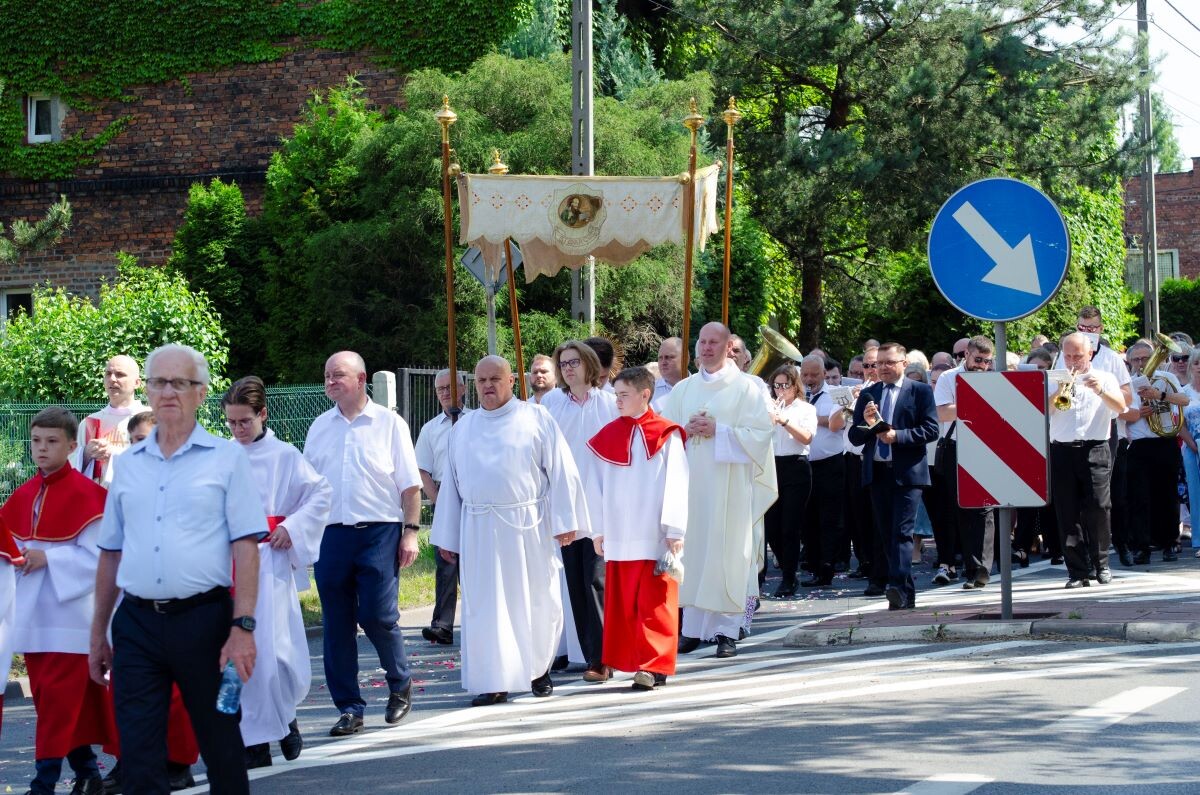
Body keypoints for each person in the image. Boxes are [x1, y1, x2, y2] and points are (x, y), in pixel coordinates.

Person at [89, 344, 265, 794]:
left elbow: (246, 546)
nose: (168, 392)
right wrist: (97, 635)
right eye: (159, 382)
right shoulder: (127, 466)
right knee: (139, 753)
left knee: (221, 741)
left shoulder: (227, 460)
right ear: (147, 389)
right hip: (136, 625)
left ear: (200, 393)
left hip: (204, 622)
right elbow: (110, 552)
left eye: (180, 383)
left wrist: (242, 627)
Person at [431, 356, 589, 706]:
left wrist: (566, 522)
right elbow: (452, 488)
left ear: (512, 381)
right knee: (486, 606)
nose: (488, 385)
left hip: (527, 526)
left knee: (534, 598)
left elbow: (562, 471)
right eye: (481, 380)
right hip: (479, 529)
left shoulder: (536, 418)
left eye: (495, 379)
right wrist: (448, 537)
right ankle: (494, 679)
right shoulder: (464, 427)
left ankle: (537, 670)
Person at [304, 351, 421, 736]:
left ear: (361, 379)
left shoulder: (389, 424)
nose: (330, 382)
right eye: (326, 376)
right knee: (336, 625)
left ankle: (399, 681)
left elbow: (409, 485)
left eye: (338, 375)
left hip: (379, 532)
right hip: (331, 535)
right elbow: (308, 488)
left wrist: (411, 532)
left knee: (376, 615)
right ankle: (350, 707)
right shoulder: (319, 426)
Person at [222, 377, 331, 769]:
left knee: (274, 652)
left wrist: (293, 527)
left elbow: (320, 493)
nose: (237, 430)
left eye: (244, 422)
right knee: (236, 652)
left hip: (268, 562)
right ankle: (253, 739)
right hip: (227, 562)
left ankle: (284, 718)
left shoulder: (284, 455)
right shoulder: (220, 455)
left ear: (263, 414)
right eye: (231, 422)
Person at [5, 407, 112, 795]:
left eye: (52, 442)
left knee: (59, 705)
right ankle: (88, 772)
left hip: (72, 617)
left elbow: (101, 559)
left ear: (71, 445)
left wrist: (48, 557)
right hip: (33, 617)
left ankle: (43, 782)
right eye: (36, 441)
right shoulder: (22, 494)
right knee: (55, 704)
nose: (42, 449)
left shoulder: (91, 497)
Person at [98, 407, 202, 794]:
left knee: (176, 692)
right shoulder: (124, 482)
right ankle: (128, 759)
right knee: (125, 687)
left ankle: (178, 762)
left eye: (146, 441)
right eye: (134, 443)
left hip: (182, 600)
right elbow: (109, 547)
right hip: (134, 598)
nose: (138, 451)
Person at [664, 323, 775, 658]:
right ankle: (693, 628)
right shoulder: (683, 390)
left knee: (729, 555)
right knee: (695, 553)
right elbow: (665, 434)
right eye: (702, 342)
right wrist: (685, 430)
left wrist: (720, 430)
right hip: (691, 485)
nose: (706, 348)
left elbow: (760, 436)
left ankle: (727, 630)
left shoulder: (747, 389)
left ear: (729, 347)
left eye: (714, 342)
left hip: (731, 487)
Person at [584, 366, 688, 690]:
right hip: (619, 535)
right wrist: (597, 530)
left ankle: (654, 667)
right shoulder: (608, 435)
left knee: (655, 603)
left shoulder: (667, 434)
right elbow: (594, 486)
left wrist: (674, 529)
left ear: (645, 394)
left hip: (654, 533)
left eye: (624, 395)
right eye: (616, 395)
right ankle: (634, 661)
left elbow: (677, 482)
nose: (617, 401)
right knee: (625, 605)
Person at [541, 341, 618, 682]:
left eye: (574, 362)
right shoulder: (551, 405)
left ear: (589, 365)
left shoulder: (609, 403)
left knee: (596, 580)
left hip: (601, 505)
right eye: (564, 363)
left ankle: (602, 658)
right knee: (574, 582)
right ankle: (589, 653)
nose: (569, 368)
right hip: (566, 507)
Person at [848, 342, 939, 610]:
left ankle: (896, 586)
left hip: (907, 474)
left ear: (903, 364)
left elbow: (931, 429)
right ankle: (904, 592)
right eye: (879, 363)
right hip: (877, 472)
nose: (883, 368)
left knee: (902, 533)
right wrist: (865, 423)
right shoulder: (869, 394)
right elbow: (854, 437)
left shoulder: (919, 391)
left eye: (889, 363)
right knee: (887, 533)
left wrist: (897, 436)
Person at [1048, 333, 1125, 587]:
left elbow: (1121, 408)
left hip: (1095, 447)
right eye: (1068, 356)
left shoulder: (1105, 377)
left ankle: (1101, 564)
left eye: (1078, 356)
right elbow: (1045, 409)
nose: (1072, 361)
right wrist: (1060, 389)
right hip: (1062, 449)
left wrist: (1100, 390)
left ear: (1090, 353)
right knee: (1066, 511)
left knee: (1099, 507)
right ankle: (1077, 571)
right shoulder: (1053, 378)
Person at [933, 335, 998, 589]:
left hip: (986, 447)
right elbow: (942, 412)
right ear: (966, 356)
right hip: (956, 447)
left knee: (985, 507)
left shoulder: (994, 378)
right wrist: (976, 401)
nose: (981, 365)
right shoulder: (949, 378)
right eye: (977, 359)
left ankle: (980, 570)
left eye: (986, 361)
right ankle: (967, 566)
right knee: (960, 508)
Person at [415, 369, 470, 646]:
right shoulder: (429, 429)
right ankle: (442, 625)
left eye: (450, 387)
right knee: (445, 564)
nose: (446, 393)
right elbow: (422, 470)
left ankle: (475, 620)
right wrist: (439, 501)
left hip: (473, 498)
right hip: (442, 495)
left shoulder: (475, 421)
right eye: (440, 389)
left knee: (473, 563)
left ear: (463, 388)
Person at [1124, 341, 1188, 564]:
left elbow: (1184, 400)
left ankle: (1170, 542)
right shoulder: (1127, 383)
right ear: (1130, 361)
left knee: (1168, 497)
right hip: (1140, 446)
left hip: (1165, 442)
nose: (1142, 363)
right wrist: (1137, 413)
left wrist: (1159, 395)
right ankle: (1142, 547)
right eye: (1137, 359)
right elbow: (1118, 412)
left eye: (1145, 358)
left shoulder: (1166, 378)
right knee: (1139, 498)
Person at [764, 365, 816, 596]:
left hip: (796, 466)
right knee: (772, 526)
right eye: (776, 386)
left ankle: (788, 577)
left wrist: (783, 420)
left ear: (795, 386)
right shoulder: (768, 407)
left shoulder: (806, 409)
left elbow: (806, 437)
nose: (780, 390)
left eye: (785, 385)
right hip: (772, 467)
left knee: (790, 527)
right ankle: (788, 567)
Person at [799, 354, 846, 587]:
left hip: (830, 463)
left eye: (814, 375)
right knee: (808, 519)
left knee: (829, 517)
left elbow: (839, 422)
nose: (809, 379)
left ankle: (828, 565)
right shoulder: (795, 394)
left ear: (824, 374)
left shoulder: (835, 393)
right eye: (805, 375)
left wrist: (810, 417)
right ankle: (814, 565)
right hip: (803, 463)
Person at [73, 355, 145, 487]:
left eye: (120, 374)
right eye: (108, 374)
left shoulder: (151, 420)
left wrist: (114, 454)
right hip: (97, 503)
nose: (112, 379)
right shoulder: (90, 422)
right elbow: (70, 463)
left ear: (137, 383)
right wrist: (86, 454)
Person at [653, 337, 684, 411]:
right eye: (660, 358)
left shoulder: (700, 387)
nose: (663, 362)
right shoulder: (649, 392)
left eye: (668, 357)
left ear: (686, 358)